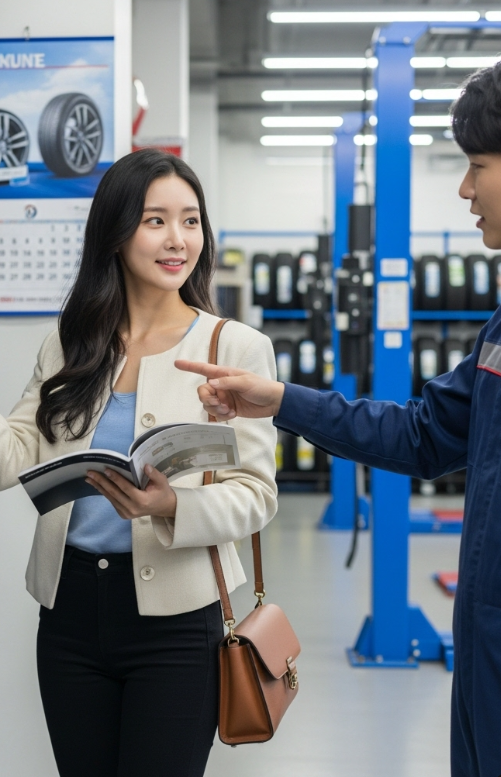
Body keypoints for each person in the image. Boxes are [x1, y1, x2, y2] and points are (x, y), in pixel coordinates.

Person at [0, 149, 278, 777]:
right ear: (116, 231)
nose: (177, 239)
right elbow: (6, 461)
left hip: (177, 622)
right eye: (156, 220)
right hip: (70, 612)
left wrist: (171, 505)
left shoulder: (233, 347)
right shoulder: (73, 342)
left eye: (190, 220)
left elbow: (257, 494)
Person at [176, 65, 501, 777]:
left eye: (477, 165)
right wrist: (282, 401)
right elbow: (421, 434)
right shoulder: (497, 332)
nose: (463, 188)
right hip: (482, 646)